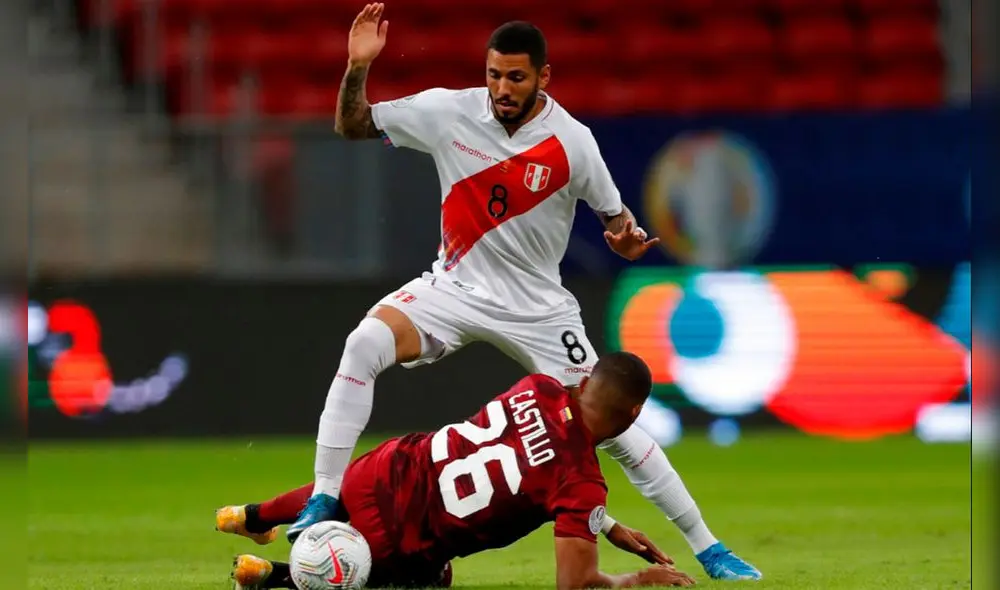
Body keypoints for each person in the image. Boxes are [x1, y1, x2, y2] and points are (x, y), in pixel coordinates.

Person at [295, 3, 760, 580]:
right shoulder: (447, 111)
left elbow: (615, 216)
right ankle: (324, 496)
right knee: (363, 343)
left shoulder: (574, 142)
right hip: (455, 286)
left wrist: (626, 238)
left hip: (539, 310)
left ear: (544, 76)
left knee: (617, 432)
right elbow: (352, 124)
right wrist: (358, 66)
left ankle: (710, 548)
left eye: (515, 77)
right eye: (494, 74)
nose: (502, 88)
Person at [219, 352, 697, 589]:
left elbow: (528, 458)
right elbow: (574, 582)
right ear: (634, 413)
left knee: (341, 488)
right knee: (433, 577)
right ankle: (274, 575)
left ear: (587, 380)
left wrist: (604, 524)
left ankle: (252, 515)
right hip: (404, 538)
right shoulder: (583, 483)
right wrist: (637, 580)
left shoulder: (539, 386)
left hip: (392, 464)